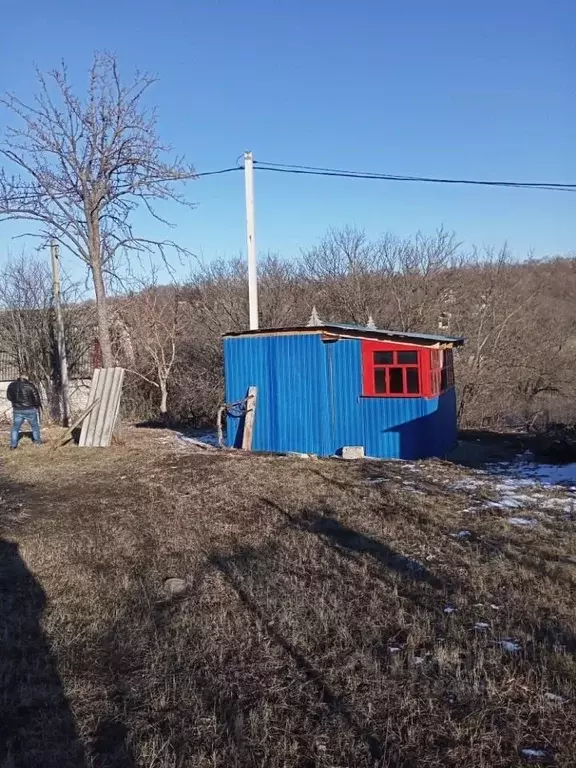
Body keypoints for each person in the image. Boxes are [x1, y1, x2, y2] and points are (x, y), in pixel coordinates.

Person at [7, 373, 42, 449]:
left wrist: (15, 403)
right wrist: (36, 406)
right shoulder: (30, 385)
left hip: (17, 410)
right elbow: (36, 398)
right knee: (35, 427)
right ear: (26, 378)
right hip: (30, 409)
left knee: (15, 428)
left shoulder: (11, 385)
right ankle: (38, 443)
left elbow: (9, 397)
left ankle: (13, 445)